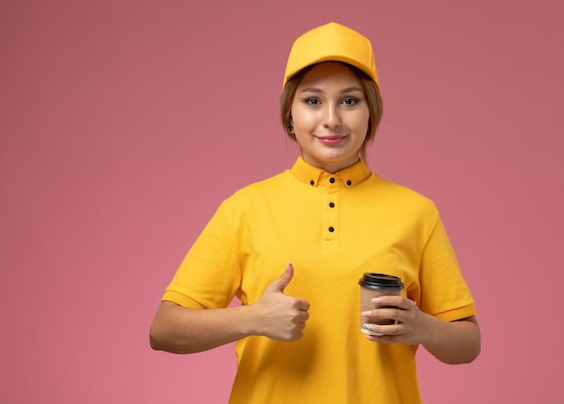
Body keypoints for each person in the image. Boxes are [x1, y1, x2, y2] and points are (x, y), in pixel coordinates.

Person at [150, 22, 480, 404]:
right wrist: (253, 319)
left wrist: (423, 327)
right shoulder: (244, 208)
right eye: (312, 101)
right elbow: (164, 331)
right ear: (289, 114)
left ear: (371, 113)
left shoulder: (416, 212)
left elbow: (467, 343)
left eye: (350, 101)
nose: (331, 119)